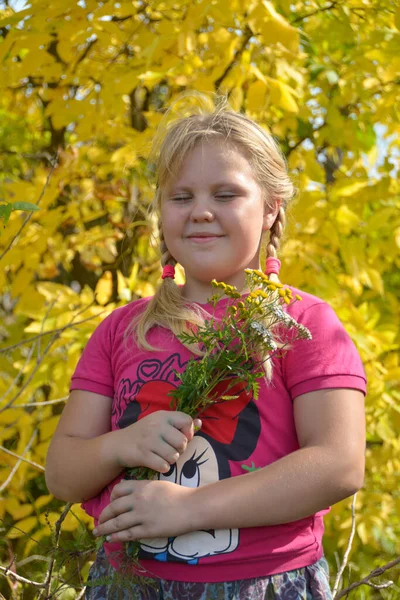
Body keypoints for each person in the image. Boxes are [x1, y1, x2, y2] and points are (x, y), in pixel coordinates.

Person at [45, 95, 367, 600]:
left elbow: (339, 464)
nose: (200, 212)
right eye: (180, 197)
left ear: (269, 209)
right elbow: (63, 474)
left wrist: (189, 508)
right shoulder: (121, 331)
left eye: (225, 194)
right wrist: (119, 445)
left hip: (266, 585)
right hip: (127, 586)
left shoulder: (303, 324)